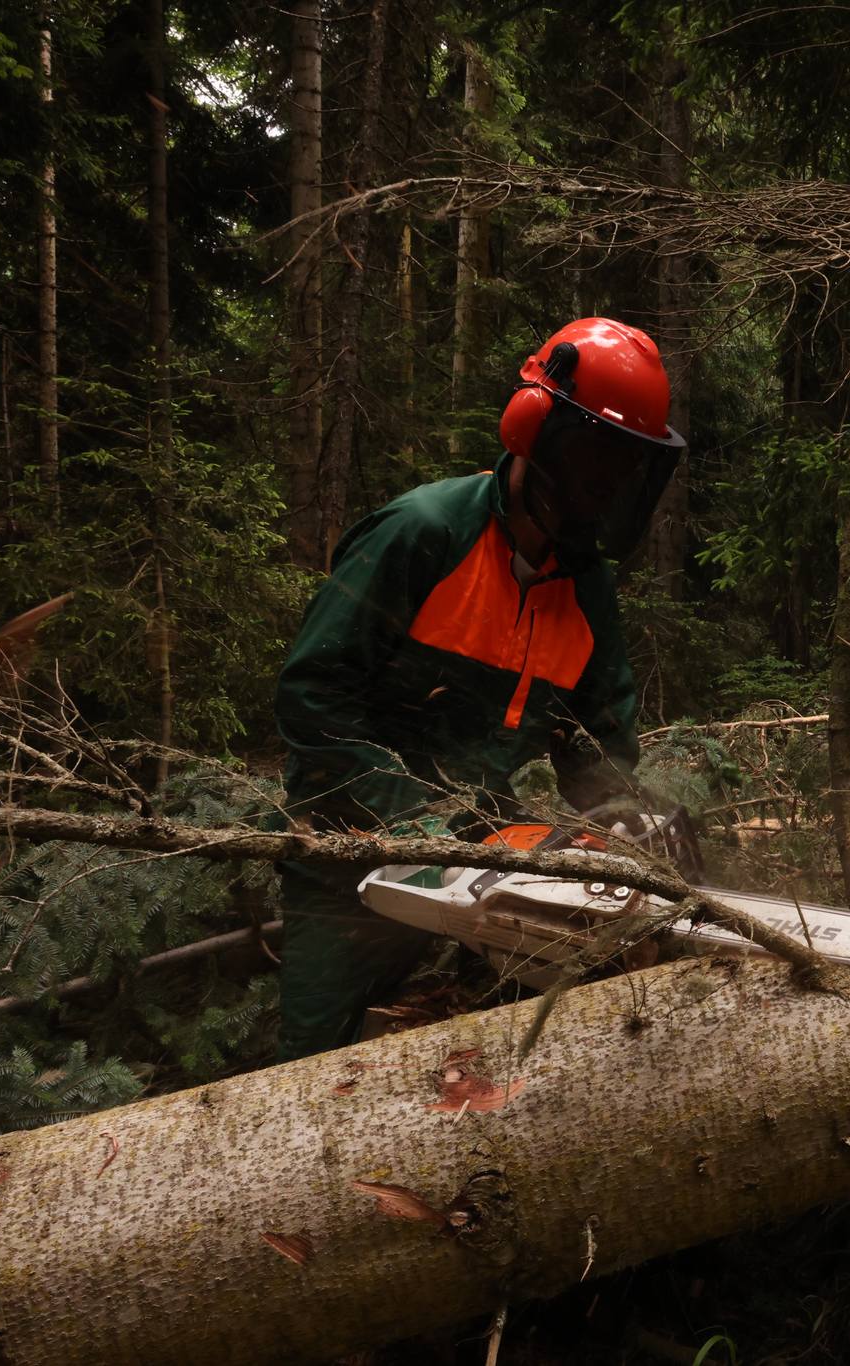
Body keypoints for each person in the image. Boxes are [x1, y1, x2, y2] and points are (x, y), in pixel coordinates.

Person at [272, 317, 685, 1059]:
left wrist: (633, 820)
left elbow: (599, 749)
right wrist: (413, 821)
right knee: (315, 1069)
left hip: (483, 868)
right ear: (536, 429)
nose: (603, 487)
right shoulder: (424, 534)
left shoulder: (587, 592)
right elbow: (312, 696)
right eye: (594, 459)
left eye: (621, 469)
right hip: (349, 863)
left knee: (495, 1060)